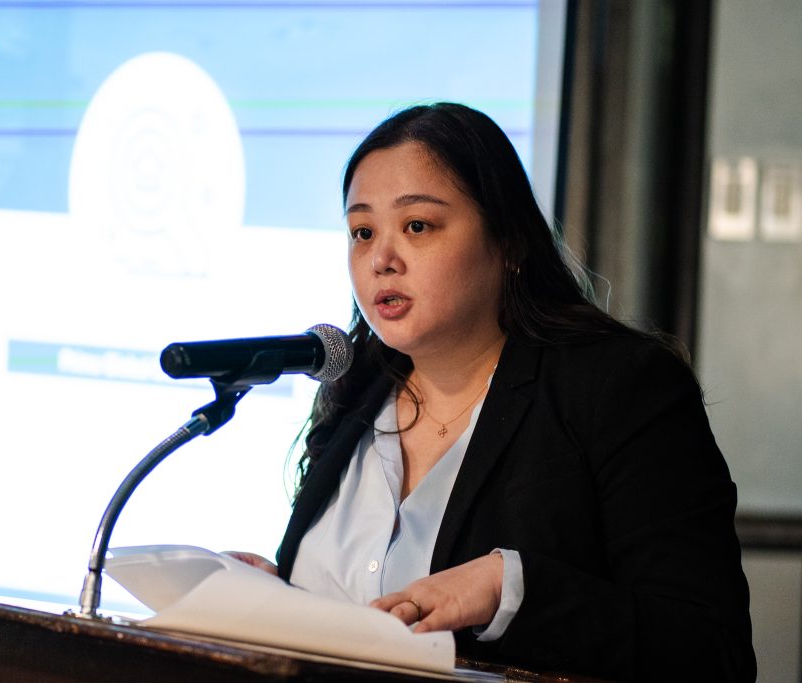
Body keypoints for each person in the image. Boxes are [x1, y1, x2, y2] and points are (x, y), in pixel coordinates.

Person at [228, 102, 755, 682]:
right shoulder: (354, 389)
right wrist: (278, 600)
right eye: (362, 231)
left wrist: (512, 590)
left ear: (509, 244)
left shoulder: (619, 388)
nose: (381, 259)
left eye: (417, 226)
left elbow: (710, 651)